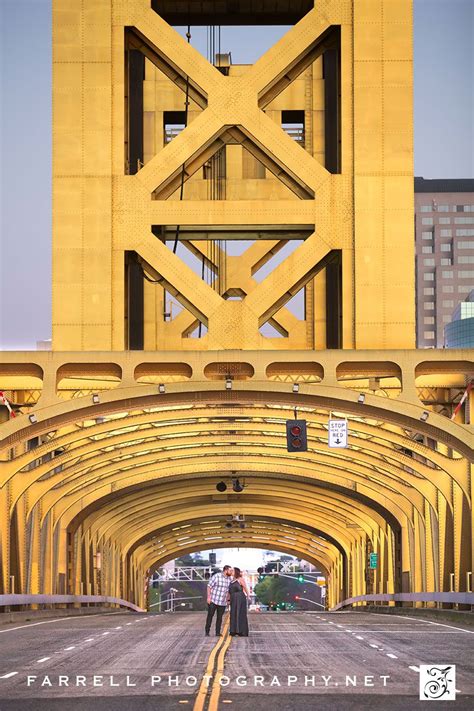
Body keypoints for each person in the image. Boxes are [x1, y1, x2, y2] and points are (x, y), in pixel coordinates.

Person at [205, 565, 233, 637]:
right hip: (213, 600)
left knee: (219, 618)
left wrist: (228, 600)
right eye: (230, 570)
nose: (231, 572)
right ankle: (207, 631)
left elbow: (229, 591)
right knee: (210, 616)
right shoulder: (217, 576)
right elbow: (209, 586)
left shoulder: (230, 579)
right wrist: (208, 597)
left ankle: (217, 632)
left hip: (222, 602)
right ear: (225, 570)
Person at [229, 566, 249, 637]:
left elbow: (245, 587)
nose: (231, 572)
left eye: (232, 571)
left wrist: (248, 595)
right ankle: (233, 630)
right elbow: (229, 591)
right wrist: (228, 599)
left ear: (236, 572)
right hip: (233, 598)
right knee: (233, 613)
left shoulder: (240, 579)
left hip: (240, 597)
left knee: (240, 613)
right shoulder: (231, 580)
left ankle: (241, 631)